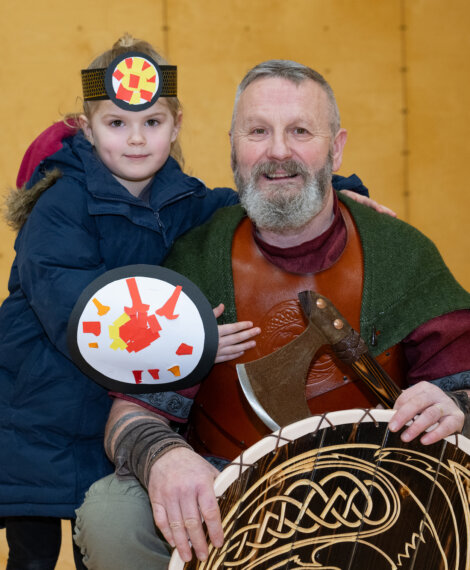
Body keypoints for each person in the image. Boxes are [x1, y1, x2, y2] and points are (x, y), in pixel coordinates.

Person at [73, 58, 470, 570]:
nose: (278, 151)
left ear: (337, 147)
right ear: (233, 147)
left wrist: (457, 404)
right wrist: (163, 458)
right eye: (258, 131)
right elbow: (132, 413)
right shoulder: (198, 260)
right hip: (226, 496)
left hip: (381, 497)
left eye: (300, 131)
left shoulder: (400, 256)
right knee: (111, 514)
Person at [0, 38, 377, 569]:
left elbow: (245, 209)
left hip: (115, 411)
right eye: (116, 125)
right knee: (32, 555)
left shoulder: (183, 198)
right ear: (86, 129)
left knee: (99, 535)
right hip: (41, 411)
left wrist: (335, 189)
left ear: (175, 127)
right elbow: (77, 317)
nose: (135, 140)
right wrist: (188, 342)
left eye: (152, 124)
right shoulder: (60, 207)